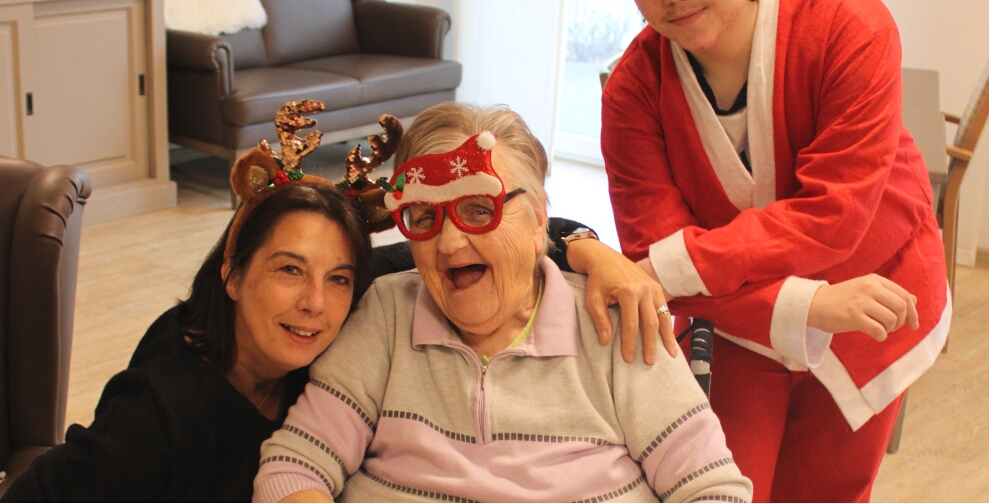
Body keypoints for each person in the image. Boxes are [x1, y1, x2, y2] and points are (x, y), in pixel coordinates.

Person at [0, 104, 657, 502]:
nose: (315, 302)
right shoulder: (162, 408)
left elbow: (491, 242)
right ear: (232, 272)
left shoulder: (365, 302)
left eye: (339, 278)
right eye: (289, 269)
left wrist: (590, 249)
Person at [577, 0, 950, 501]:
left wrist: (669, 268)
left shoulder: (848, 26)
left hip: (872, 287)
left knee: (828, 490)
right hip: (738, 320)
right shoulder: (633, 92)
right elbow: (654, 246)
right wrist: (806, 303)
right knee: (725, 486)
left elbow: (832, 217)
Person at [254, 102, 752, 503]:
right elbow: (296, 465)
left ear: (538, 222)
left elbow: (712, 489)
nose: (449, 243)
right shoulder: (386, 313)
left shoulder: (616, 323)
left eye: (479, 210)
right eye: (424, 218)